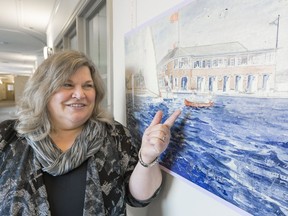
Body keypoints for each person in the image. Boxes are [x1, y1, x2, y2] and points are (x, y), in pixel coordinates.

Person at [0, 50, 181, 216]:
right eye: (67, 84)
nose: (80, 94)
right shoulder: (9, 136)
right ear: (44, 90)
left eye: (87, 85)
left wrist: (148, 157)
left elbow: (138, 198)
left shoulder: (114, 135)